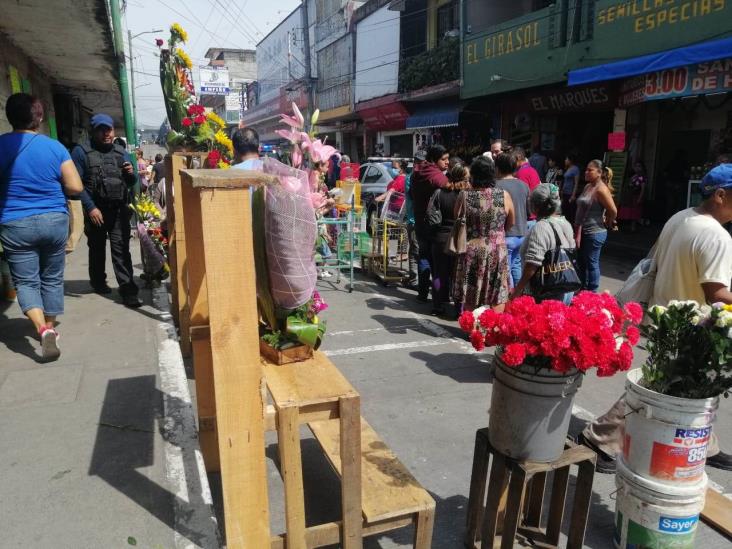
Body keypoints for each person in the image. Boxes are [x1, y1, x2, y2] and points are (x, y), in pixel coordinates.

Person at [580, 164, 732, 473]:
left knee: (698, 387)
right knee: (656, 387)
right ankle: (601, 437)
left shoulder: (682, 217)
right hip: (691, 326)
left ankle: (707, 444)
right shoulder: (717, 237)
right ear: (720, 195)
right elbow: (717, 294)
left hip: (665, 316)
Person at [0, 93, 84, 359]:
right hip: (53, 220)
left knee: (26, 281)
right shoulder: (55, 147)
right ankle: (50, 325)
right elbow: (75, 187)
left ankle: (42, 330)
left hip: (15, 223)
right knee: (51, 277)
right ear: (37, 118)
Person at [72, 113, 141, 307]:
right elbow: (76, 185)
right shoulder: (81, 152)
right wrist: (91, 208)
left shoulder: (121, 152)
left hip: (118, 211)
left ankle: (128, 290)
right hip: (96, 211)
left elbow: (132, 182)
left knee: (121, 250)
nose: (106, 134)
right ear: (93, 131)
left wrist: (130, 175)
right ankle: (98, 282)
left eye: (108, 129)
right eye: (101, 130)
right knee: (96, 249)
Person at [453, 156, 514, 312]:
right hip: (497, 249)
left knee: (471, 292)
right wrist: (497, 233)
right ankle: (492, 328)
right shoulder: (503, 195)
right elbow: (511, 222)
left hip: (472, 249)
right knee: (497, 291)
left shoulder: (465, 196)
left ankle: (472, 328)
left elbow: (458, 220)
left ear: (473, 174)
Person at [512, 184, 576, 304]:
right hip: (565, 288)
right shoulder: (564, 222)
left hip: (546, 294)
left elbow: (532, 264)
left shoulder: (540, 227)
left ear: (534, 206)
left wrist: (517, 290)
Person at [429, 160, 471, 317]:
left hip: (441, 237)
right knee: (459, 275)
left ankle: (438, 305)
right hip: (462, 239)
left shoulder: (440, 192)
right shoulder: (468, 195)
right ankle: (459, 307)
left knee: (439, 273)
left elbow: (431, 214)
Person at [410, 145, 450, 302]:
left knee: (424, 257)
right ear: (434, 159)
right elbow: (448, 186)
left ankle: (422, 293)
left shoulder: (416, 173)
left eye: (448, 159)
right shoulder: (433, 172)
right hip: (432, 224)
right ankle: (438, 298)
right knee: (437, 264)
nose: (447, 162)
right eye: (443, 159)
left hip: (420, 221)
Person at [574, 160, 617, 292]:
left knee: (591, 264)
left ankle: (592, 293)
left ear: (599, 173)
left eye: (590, 170)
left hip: (594, 232)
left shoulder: (601, 190)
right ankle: (582, 291)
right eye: (586, 169)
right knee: (581, 263)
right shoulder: (588, 187)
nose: (586, 172)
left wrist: (609, 221)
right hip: (583, 231)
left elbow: (613, 210)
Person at [495, 153, 529, 287]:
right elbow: (528, 210)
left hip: (507, 234)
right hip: (521, 233)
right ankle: (518, 297)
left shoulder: (496, 186)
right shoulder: (523, 185)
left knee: (505, 270)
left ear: (497, 168)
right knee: (515, 266)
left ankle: (509, 300)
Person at [404, 151, 425, 289]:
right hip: (413, 220)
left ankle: (420, 279)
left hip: (423, 221)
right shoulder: (410, 178)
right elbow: (414, 197)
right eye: (422, 162)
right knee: (415, 251)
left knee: (420, 251)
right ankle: (414, 280)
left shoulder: (424, 176)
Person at [624, 161, 646, 232]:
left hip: (637, 195)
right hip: (631, 195)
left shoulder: (642, 177)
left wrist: (640, 198)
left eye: (639, 166)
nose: (637, 168)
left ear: (642, 168)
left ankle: (634, 227)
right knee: (631, 211)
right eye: (636, 166)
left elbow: (643, 189)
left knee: (635, 212)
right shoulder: (633, 176)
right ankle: (630, 226)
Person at [561, 153, 580, 223]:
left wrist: (573, 195)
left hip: (570, 193)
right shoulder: (568, 168)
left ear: (570, 160)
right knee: (564, 211)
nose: (565, 160)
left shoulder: (575, 169)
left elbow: (576, 183)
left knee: (570, 212)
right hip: (565, 193)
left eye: (566, 159)